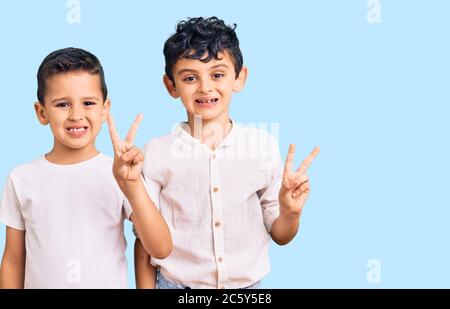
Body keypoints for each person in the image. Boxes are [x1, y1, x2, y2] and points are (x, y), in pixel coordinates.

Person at [130, 16, 319, 289]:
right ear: (171, 86)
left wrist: (290, 213)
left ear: (239, 78)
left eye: (217, 74)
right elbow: (146, 241)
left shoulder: (262, 147)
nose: (205, 87)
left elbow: (280, 235)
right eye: (190, 78)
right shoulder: (156, 153)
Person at [0, 47, 171, 288]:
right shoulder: (20, 179)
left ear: (105, 109)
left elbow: (160, 248)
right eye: (62, 105)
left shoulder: (120, 174)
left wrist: (132, 186)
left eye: (88, 103)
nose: (76, 115)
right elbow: (14, 261)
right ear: (41, 112)